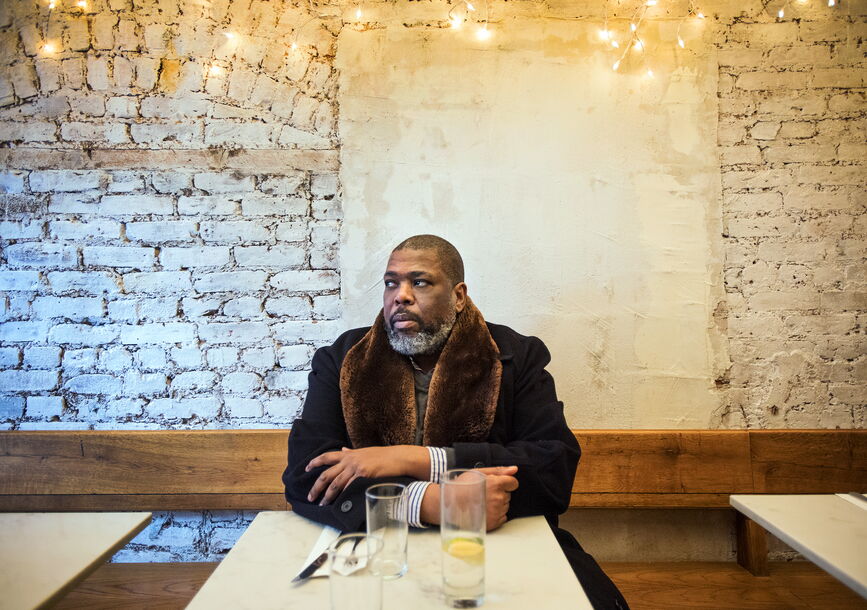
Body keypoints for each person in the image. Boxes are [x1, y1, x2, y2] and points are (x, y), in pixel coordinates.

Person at [283, 235, 628, 609]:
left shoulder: (515, 355)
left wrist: (411, 459)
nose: (400, 295)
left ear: (459, 295)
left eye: (420, 282)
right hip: (376, 547)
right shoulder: (343, 359)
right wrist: (431, 502)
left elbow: (552, 468)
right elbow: (306, 474)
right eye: (390, 283)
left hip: (497, 543)